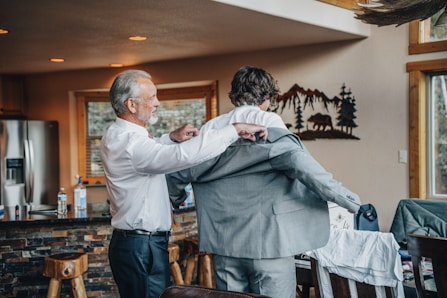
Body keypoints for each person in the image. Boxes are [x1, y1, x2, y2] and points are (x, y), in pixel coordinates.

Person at [166, 66, 361, 298]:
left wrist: (174, 199)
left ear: (235, 95)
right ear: (267, 98)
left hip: (223, 244)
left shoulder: (213, 129)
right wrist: (350, 200)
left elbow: (178, 172)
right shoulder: (270, 124)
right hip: (269, 244)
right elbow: (305, 168)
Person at [99, 69, 268, 298]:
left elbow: (147, 153)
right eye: (151, 98)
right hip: (141, 247)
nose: (157, 103)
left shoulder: (118, 133)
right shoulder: (130, 143)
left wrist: (169, 138)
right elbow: (183, 156)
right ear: (131, 105)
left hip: (138, 244)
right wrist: (234, 130)